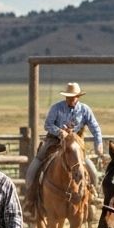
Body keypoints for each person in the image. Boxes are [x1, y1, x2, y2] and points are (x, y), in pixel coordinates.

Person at [23, 82, 103, 214]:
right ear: (65, 97)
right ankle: (30, 200)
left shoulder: (84, 110)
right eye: (69, 96)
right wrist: (60, 132)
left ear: (78, 97)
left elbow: (95, 128)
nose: (71, 99)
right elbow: (47, 125)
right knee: (35, 165)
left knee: (91, 170)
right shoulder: (56, 108)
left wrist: (98, 144)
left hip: (74, 144)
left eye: (74, 96)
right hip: (54, 141)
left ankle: (93, 195)